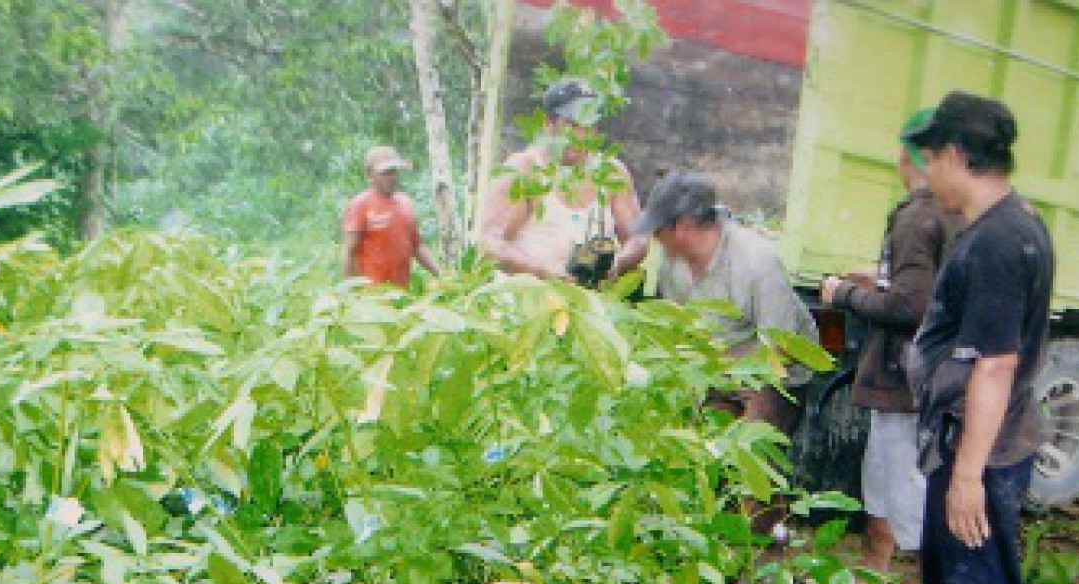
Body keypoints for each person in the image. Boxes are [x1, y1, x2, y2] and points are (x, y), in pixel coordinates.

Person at [872, 91, 1054, 584]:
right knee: (949, 571)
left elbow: (996, 367)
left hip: (986, 444)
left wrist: (970, 474)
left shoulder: (1005, 241)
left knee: (981, 577)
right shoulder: (991, 226)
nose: (925, 173)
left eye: (930, 159)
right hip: (960, 436)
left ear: (953, 156)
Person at [820, 109, 957, 584]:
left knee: (910, 490)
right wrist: (876, 280)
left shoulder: (917, 216)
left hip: (907, 377)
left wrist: (844, 295)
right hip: (909, 374)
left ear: (907, 156)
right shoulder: (942, 214)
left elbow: (911, 307)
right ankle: (874, 567)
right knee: (882, 474)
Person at [631, 170, 820, 435]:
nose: (655, 239)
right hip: (716, 372)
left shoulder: (757, 261)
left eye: (659, 231)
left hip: (775, 376)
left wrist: (731, 384)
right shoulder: (670, 264)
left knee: (745, 453)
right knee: (692, 446)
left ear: (684, 227)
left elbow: (781, 348)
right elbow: (677, 332)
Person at [479, 78, 648, 282]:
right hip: (527, 297)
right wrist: (544, 272)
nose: (580, 135)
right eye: (572, 124)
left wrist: (617, 263)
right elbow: (489, 242)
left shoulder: (612, 172)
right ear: (548, 125)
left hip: (590, 300)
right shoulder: (522, 170)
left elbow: (638, 238)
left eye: (589, 126)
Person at [342, 145, 439, 286]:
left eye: (393, 171)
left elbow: (417, 246)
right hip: (371, 293)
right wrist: (349, 292)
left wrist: (440, 273)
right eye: (385, 173)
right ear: (369, 176)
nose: (391, 177)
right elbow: (349, 251)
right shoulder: (360, 205)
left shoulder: (406, 203)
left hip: (401, 292)